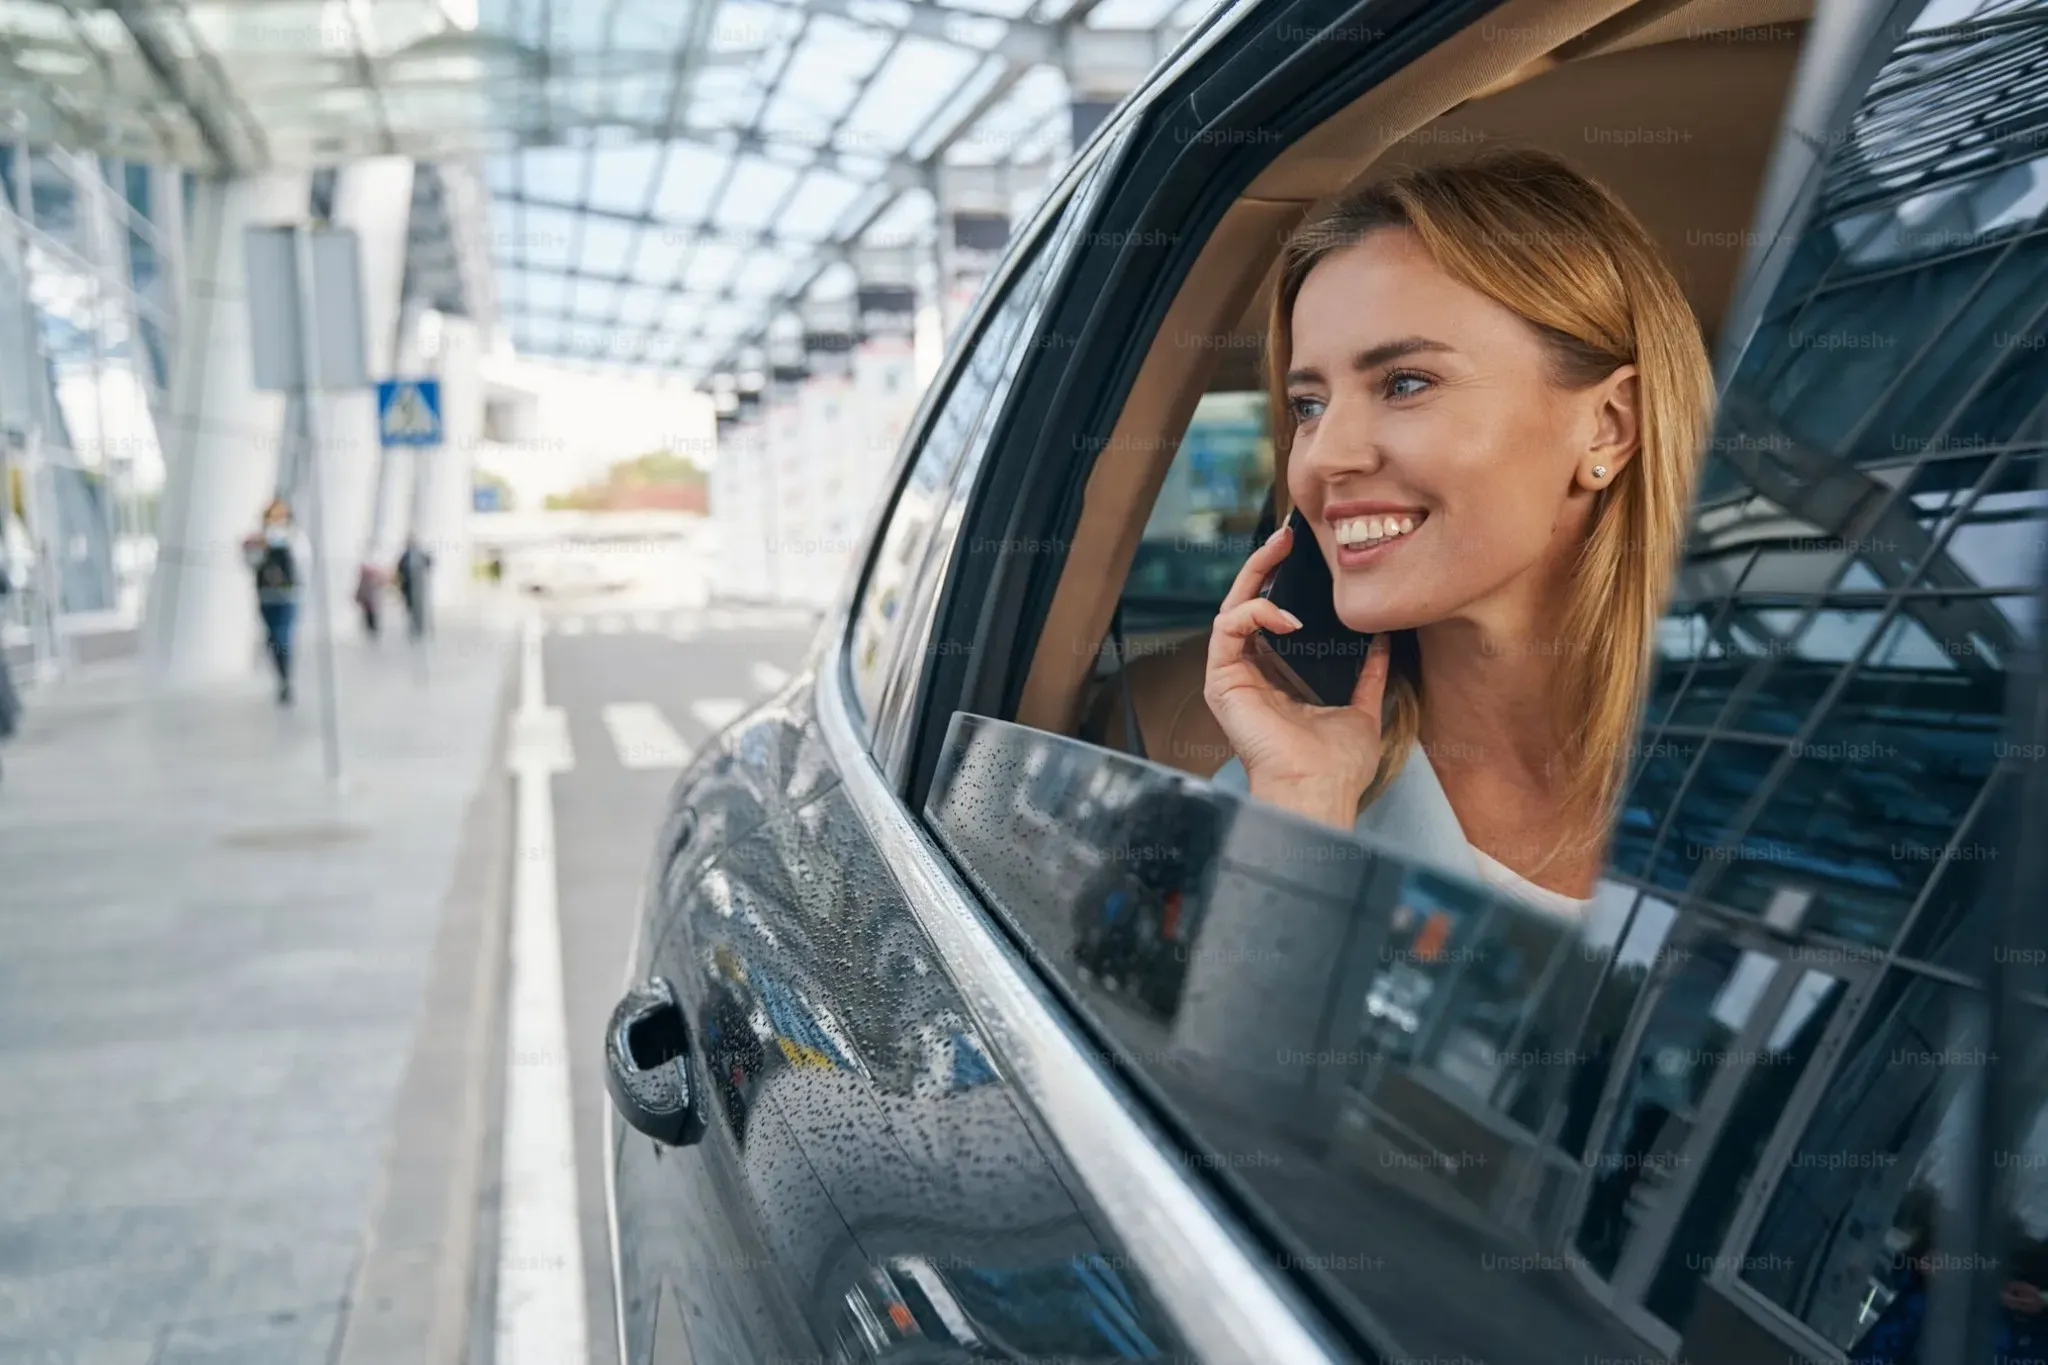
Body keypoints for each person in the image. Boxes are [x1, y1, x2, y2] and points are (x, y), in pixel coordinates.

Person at [1203, 149, 1715, 909]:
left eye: (1405, 383)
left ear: (1608, 427)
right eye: (1308, 405)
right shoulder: (1281, 792)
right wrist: (1305, 815)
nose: (1325, 458)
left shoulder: (1793, 769)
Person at [242, 497, 304, 704]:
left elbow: (301, 561)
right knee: (273, 638)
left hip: (287, 596)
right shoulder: (258, 538)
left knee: (281, 636)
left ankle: (286, 679)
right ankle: (282, 676)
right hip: (267, 596)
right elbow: (251, 562)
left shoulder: (294, 537)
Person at [395, 535, 432, 639]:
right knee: (410, 607)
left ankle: (419, 627)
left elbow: (429, 562)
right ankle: (413, 626)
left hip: (418, 586)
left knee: (419, 607)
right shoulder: (405, 556)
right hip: (408, 586)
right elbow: (400, 569)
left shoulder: (420, 554)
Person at [354, 562, 383, 640]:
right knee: (369, 617)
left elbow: (373, 592)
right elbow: (360, 591)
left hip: (370, 603)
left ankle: (372, 630)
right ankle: (371, 630)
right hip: (368, 604)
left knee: (371, 617)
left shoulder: (370, 581)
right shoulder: (366, 581)